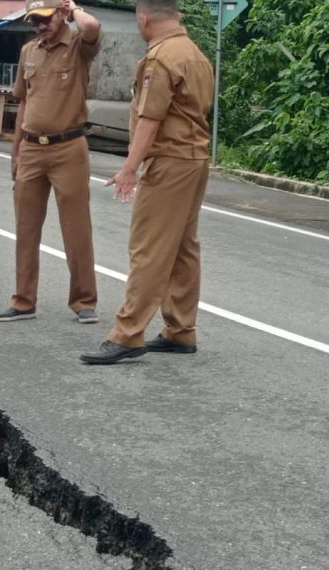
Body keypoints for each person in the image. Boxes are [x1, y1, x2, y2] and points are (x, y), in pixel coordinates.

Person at [80, 0, 213, 364]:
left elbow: (151, 118)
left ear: (143, 18)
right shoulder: (194, 53)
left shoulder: (161, 57)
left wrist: (129, 168)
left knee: (148, 248)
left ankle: (127, 333)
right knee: (183, 247)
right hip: (193, 160)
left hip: (169, 161)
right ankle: (181, 329)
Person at [0, 0, 102, 324]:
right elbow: (24, 103)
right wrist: (15, 152)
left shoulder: (79, 46)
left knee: (76, 228)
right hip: (31, 149)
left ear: (60, 14)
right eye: (34, 20)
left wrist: (74, 8)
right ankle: (23, 300)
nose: (39, 26)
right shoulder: (29, 51)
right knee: (25, 228)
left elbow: (92, 28)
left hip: (68, 148)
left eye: (45, 18)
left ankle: (83, 300)